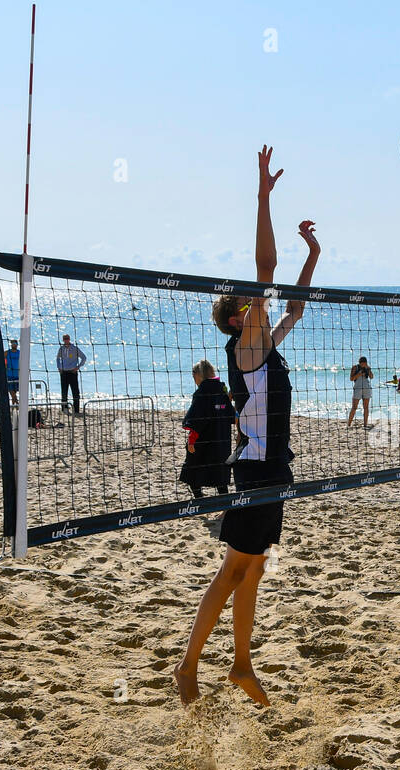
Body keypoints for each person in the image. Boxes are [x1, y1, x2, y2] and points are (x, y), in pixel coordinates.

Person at [174, 145, 319, 709]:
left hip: (272, 469)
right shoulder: (247, 347)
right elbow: (266, 271)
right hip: (256, 471)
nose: (261, 304)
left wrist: (313, 255)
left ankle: (239, 666)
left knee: (252, 572)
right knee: (234, 569)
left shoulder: (262, 347)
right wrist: (262, 196)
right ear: (239, 318)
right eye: (252, 303)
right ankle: (188, 667)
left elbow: (296, 308)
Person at [179, 360, 235, 498]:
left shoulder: (201, 393)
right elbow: (230, 415)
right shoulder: (222, 390)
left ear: (198, 375)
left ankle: (199, 499)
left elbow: (197, 419)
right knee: (220, 476)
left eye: (193, 377)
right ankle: (225, 505)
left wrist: (191, 441)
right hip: (221, 441)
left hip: (203, 441)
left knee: (191, 471)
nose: (194, 380)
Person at [56, 334, 87, 414]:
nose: (66, 340)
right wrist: (59, 367)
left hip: (73, 372)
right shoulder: (61, 349)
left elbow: (84, 357)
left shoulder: (74, 348)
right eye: (64, 339)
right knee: (64, 392)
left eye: (67, 338)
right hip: (64, 372)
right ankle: (64, 409)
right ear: (63, 340)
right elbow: (57, 358)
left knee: (75, 392)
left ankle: (76, 409)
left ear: (69, 339)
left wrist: (78, 367)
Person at [348, 356, 373, 427]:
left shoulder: (367, 368)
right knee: (354, 407)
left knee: (366, 407)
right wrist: (359, 374)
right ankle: (349, 424)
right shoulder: (355, 367)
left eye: (365, 363)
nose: (363, 365)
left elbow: (371, 377)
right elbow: (351, 378)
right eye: (362, 364)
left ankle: (365, 424)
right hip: (357, 388)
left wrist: (368, 369)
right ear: (359, 363)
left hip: (366, 388)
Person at [5, 339, 21, 407]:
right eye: (13, 343)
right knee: (11, 391)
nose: (14, 344)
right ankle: (17, 405)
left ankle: (14, 406)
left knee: (15, 391)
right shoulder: (7, 352)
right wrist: (5, 366)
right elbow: (2, 359)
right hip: (9, 374)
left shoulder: (20, 352)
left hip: (17, 374)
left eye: (15, 343)